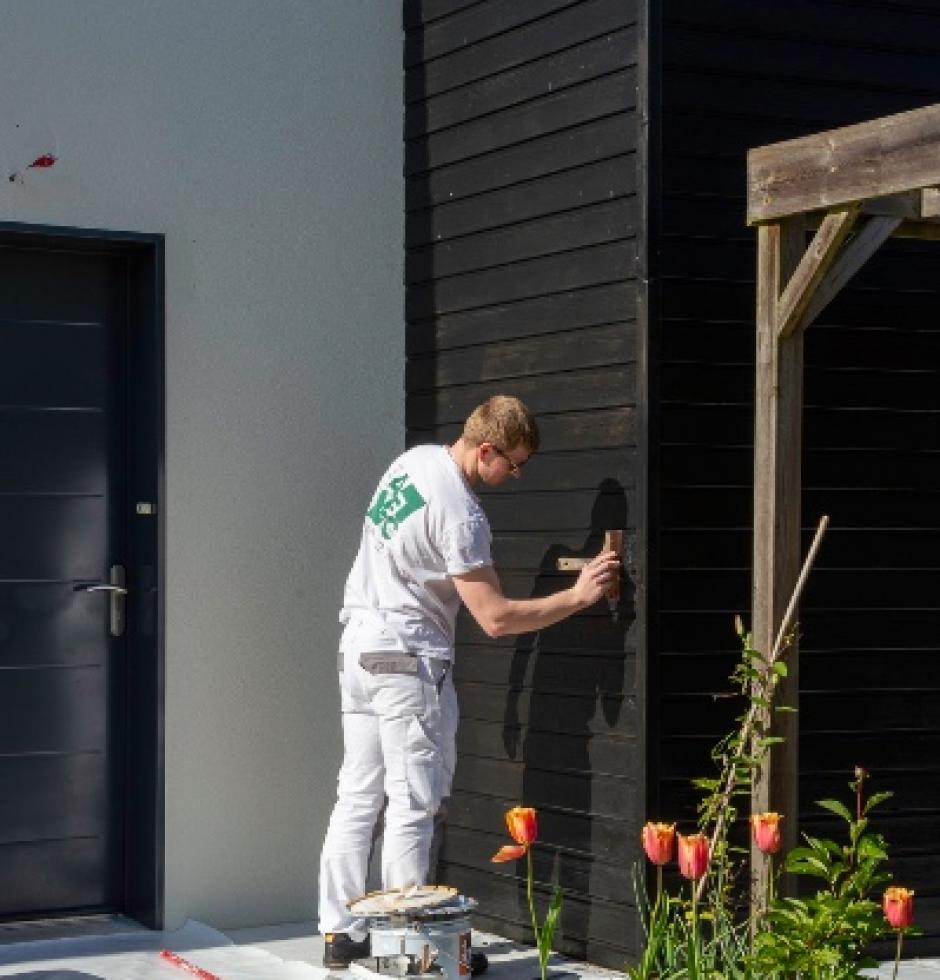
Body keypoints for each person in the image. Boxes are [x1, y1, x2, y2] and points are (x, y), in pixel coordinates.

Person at [318, 395, 620, 972]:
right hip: (407, 660)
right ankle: (408, 952)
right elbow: (495, 618)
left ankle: (340, 931)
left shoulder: (412, 464)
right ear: (486, 451)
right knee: (413, 801)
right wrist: (579, 597)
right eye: (513, 463)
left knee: (358, 794)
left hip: (359, 646)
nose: (516, 474)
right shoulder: (460, 512)